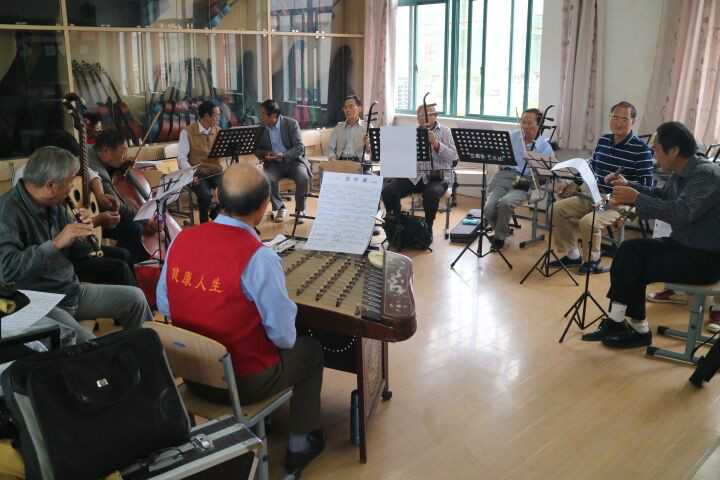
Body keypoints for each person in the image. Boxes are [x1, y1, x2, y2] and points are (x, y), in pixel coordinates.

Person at [156, 163, 325, 473]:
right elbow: (284, 337)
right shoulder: (259, 258)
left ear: (217, 197)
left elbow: (164, 304)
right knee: (311, 351)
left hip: (192, 375)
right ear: (264, 206)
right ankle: (300, 445)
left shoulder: (182, 239)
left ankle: (267, 422)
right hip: (242, 384)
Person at [580, 122, 720, 348]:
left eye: (656, 149)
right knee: (628, 250)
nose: (653, 155)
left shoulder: (706, 174)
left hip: (705, 258)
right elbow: (662, 197)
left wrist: (635, 198)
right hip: (682, 245)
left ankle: (637, 329)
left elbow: (682, 213)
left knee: (636, 266)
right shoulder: (681, 171)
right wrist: (629, 186)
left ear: (674, 150)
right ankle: (617, 321)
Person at [0, 146, 153, 342]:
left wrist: (85, 233)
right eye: (70, 181)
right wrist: (55, 243)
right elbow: (8, 271)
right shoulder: (7, 213)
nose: (72, 186)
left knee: (136, 299)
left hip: (71, 290)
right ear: (51, 185)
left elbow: (78, 251)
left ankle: (141, 353)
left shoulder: (54, 203)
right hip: (41, 303)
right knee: (89, 346)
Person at [549, 101, 654, 273]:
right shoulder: (604, 140)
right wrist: (572, 180)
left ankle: (593, 260)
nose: (618, 123)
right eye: (615, 118)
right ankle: (573, 255)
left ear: (633, 121)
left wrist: (625, 184)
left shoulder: (642, 150)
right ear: (610, 119)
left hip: (621, 201)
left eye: (624, 119)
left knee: (588, 222)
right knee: (556, 209)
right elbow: (593, 167)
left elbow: (647, 186)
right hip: (595, 194)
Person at [381, 103, 457, 236]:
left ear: (435, 116)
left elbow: (453, 158)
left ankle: (428, 228)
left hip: (438, 176)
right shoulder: (412, 133)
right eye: (419, 115)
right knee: (388, 190)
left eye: (426, 114)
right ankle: (396, 223)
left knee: (430, 194)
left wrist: (435, 143)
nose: (422, 117)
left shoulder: (445, 131)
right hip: (415, 176)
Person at [484, 108, 554, 250]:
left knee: (505, 203)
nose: (525, 127)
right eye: (523, 123)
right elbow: (500, 159)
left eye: (530, 123)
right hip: (504, 176)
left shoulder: (544, 147)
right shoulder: (513, 136)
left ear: (539, 125)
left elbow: (545, 176)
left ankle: (499, 238)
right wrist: (498, 169)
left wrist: (534, 162)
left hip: (525, 180)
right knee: (488, 208)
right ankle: (502, 229)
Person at [88, 129, 156, 262]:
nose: (125, 156)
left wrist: (120, 165)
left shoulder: (92, 150)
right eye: (123, 152)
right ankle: (125, 264)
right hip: (95, 217)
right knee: (134, 228)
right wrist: (146, 220)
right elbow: (119, 207)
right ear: (107, 151)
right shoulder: (100, 173)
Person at [255, 99, 310, 223]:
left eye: (263, 114)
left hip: (293, 161)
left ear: (273, 116)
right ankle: (279, 208)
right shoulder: (260, 128)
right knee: (267, 178)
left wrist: (283, 155)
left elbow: (299, 148)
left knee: (303, 178)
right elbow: (256, 149)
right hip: (273, 163)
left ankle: (300, 210)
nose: (260, 116)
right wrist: (265, 154)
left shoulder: (291, 124)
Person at [177, 100, 223, 224]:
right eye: (217, 115)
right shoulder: (187, 132)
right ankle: (204, 223)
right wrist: (192, 173)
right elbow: (181, 158)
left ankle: (217, 213)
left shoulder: (218, 130)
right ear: (207, 116)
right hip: (197, 172)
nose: (219, 118)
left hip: (215, 171)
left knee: (231, 189)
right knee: (205, 196)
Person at [326, 95, 371, 164]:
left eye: (350, 106)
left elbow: (373, 153)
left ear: (359, 109)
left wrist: (368, 145)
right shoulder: (338, 128)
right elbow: (330, 149)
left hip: (360, 163)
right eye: (345, 107)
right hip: (340, 163)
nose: (347, 110)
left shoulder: (367, 127)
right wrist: (333, 160)